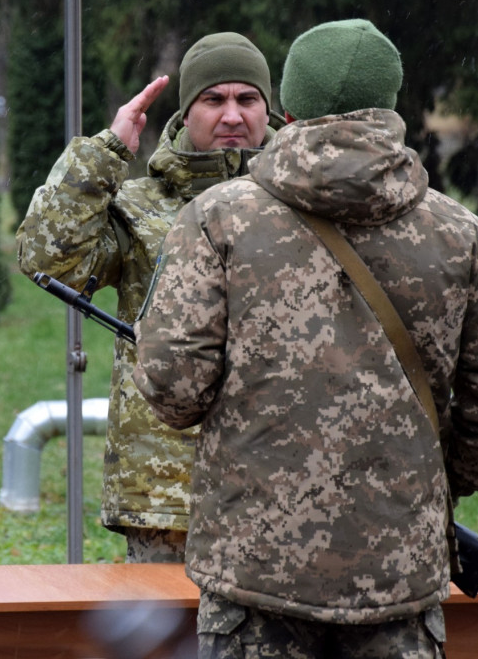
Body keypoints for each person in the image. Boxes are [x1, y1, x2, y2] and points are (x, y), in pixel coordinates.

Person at [133, 19, 478, 656]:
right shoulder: (458, 232)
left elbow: (173, 387)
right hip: (398, 572)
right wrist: (446, 477)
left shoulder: (218, 220)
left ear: (287, 107)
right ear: (391, 105)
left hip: (254, 579)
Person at [16, 32, 286, 562]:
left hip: (282, 488)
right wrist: (106, 153)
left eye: (247, 99)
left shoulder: (300, 199)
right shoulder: (139, 207)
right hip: (167, 498)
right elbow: (48, 260)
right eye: (213, 100)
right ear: (185, 113)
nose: (232, 115)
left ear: (269, 111)